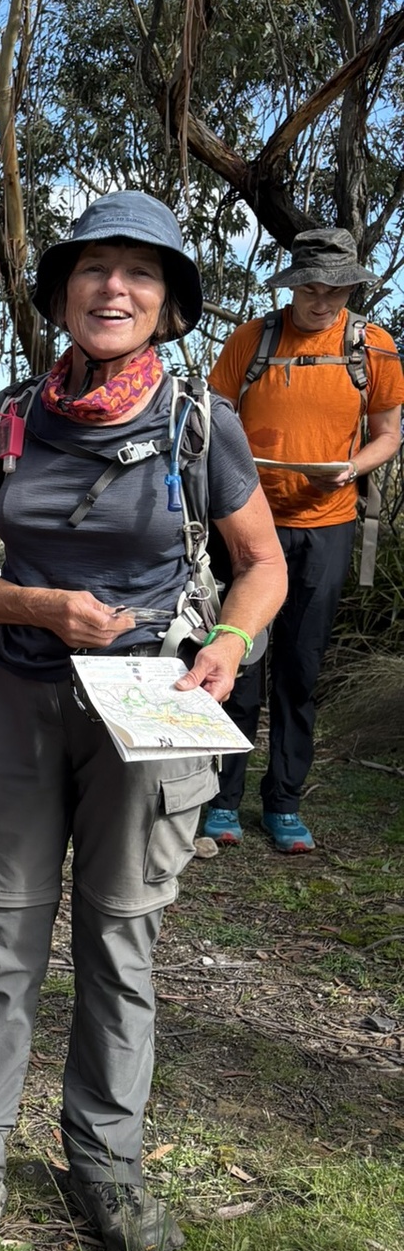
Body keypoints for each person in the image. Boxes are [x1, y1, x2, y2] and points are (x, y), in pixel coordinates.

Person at [0, 192, 286, 1251]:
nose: (113, 288)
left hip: (152, 708)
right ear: (63, 291)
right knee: (0, 936)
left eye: (140, 273)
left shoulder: (199, 423)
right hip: (19, 701)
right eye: (92, 269)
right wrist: (41, 608)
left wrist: (230, 645)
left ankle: (106, 1167)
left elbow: (263, 564)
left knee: (122, 939)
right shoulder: (6, 422)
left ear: (168, 302)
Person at [204, 229, 403, 853]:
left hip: (327, 524)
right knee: (238, 659)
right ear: (291, 287)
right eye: (311, 290)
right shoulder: (252, 340)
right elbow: (212, 418)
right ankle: (220, 799)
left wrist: (352, 468)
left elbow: (388, 434)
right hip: (245, 523)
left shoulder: (373, 347)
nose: (322, 302)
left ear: (352, 288)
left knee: (300, 668)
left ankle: (284, 802)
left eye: (335, 291)